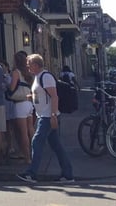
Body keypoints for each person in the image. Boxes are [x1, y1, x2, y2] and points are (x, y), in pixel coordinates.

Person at [17, 54, 74, 183]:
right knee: (56, 146)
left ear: (36, 65)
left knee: (36, 142)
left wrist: (53, 115)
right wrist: (32, 97)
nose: (28, 67)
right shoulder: (37, 77)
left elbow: (54, 96)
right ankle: (68, 174)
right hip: (43, 115)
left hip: (48, 116)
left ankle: (31, 173)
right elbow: (42, 95)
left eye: (29, 64)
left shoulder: (46, 77)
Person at [9, 51, 34, 163]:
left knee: (23, 133)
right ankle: (34, 153)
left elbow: (12, 87)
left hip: (20, 104)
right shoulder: (29, 72)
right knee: (31, 130)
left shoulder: (16, 72)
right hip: (29, 103)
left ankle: (27, 157)